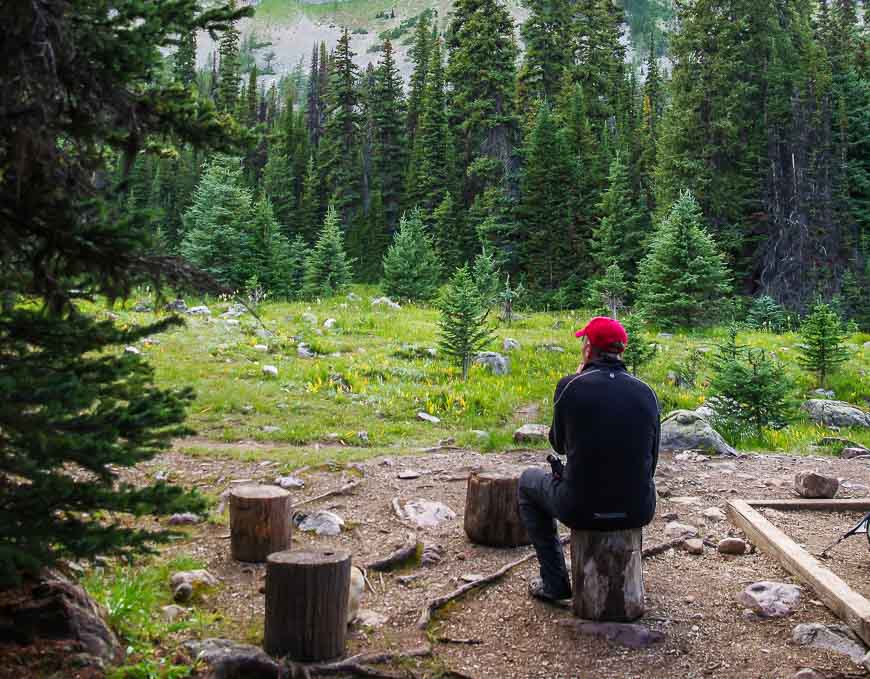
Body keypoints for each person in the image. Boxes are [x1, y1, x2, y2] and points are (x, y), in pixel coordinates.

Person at [518, 316, 660, 602]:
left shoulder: (570, 386)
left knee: (527, 483)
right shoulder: (647, 393)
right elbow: (652, 461)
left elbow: (557, 444)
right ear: (622, 351)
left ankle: (554, 581)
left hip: (579, 507)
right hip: (638, 507)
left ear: (588, 349)